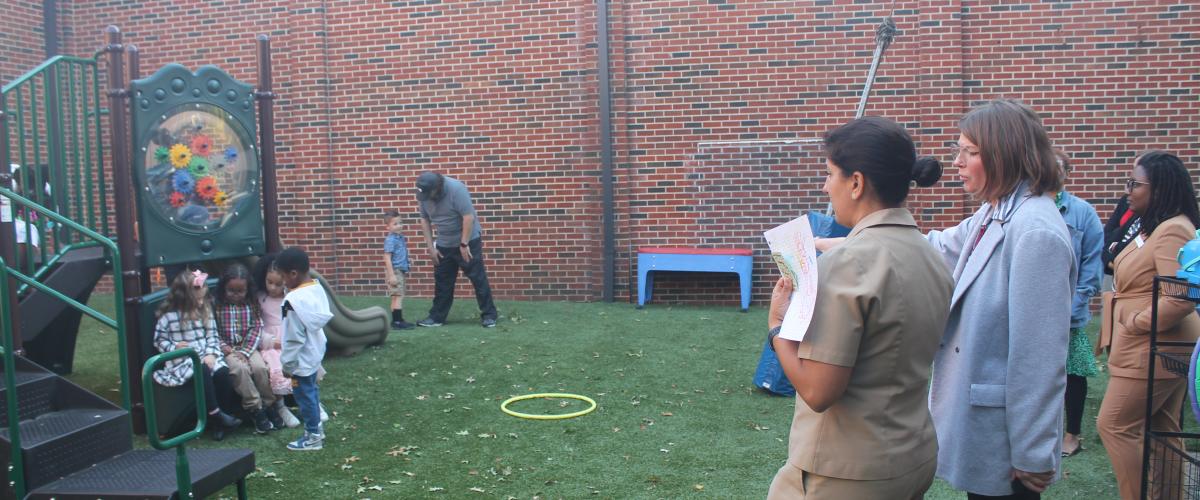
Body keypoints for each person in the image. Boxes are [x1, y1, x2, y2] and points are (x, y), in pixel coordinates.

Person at [766, 117, 953, 499]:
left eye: (830, 174)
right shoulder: (931, 256)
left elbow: (819, 392)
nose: (825, 186)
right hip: (912, 455)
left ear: (856, 183)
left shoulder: (844, 266)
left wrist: (776, 329)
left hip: (845, 473)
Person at [924, 99, 1076, 499]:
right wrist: (847, 243)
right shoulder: (995, 212)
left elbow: (1038, 357)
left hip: (1008, 443)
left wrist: (1032, 452)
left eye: (970, 152)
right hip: (983, 425)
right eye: (959, 150)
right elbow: (935, 247)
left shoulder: (1035, 230)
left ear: (1004, 155)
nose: (956, 161)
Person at [1095, 150, 1200, 500]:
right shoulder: (1154, 225)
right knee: (1161, 429)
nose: (1127, 190)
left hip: (1153, 348)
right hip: (1146, 347)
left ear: (1160, 189)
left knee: (1114, 425)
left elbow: (1182, 295)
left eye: (1134, 184)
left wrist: (1137, 322)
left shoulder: (1173, 230)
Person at [151, 269, 243, 441]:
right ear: (183, 298)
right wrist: (174, 346)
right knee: (202, 370)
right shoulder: (169, 317)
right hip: (182, 361)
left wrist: (211, 355)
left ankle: (223, 418)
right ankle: (216, 415)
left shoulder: (205, 312)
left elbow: (213, 337)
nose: (201, 302)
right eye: (198, 298)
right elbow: (159, 341)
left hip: (205, 356)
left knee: (223, 373)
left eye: (203, 297)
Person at [1054, 153, 1104, 458]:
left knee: (1072, 374)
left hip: (1067, 313)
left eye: (1057, 169)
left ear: (1066, 175)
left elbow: (1091, 267)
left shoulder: (1083, 213)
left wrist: (1072, 307)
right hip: (1029, 313)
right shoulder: (1025, 208)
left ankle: (1072, 435)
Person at [413, 171, 499, 328]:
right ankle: (437, 317)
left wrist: (464, 244)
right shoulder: (423, 193)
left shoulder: (456, 189)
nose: (426, 197)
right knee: (442, 281)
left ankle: (489, 315)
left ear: (437, 188)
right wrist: (431, 247)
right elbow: (424, 219)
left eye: (429, 193)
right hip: (444, 243)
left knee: (477, 278)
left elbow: (468, 217)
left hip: (467, 240)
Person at [276, 247, 333, 451]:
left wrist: (287, 364)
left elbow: (293, 338)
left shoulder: (293, 301)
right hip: (314, 353)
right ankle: (317, 430)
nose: (282, 281)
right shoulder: (316, 289)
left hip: (300, 359)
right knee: (312, 393)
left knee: (305, 396)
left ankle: (313, 437)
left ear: (293, 274)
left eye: (283, 276)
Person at [214, 263, 280, 433]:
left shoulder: (251, 303)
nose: (236, 295)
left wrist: (245, 351)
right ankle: (255, 409)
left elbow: (256, 327)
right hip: (228, 349)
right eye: (231, 290)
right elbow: (212, 330)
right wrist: (224, 347)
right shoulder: (217, 305)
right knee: (239, 369)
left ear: (247, 289)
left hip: (248, 347)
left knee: (259, 368)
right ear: (223, 288)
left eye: (240, 291)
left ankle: (269, 404)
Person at [253, 254, 301, 428]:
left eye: (278, 284)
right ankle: (281, 406)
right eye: (269, 282)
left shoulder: (289, 298)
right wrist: (271, 341)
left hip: (288, 338)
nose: (272, 287)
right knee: (275, 366)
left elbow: (294, 320)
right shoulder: (260, 298)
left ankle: (307, 402)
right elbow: (256, 325)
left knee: (301, 364)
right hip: (271, 341)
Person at [383, 209, 414, 330]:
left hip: (400, 269)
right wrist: (391, 275)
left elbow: (400, 253)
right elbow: (387, 257)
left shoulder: (400, 237)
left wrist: (408, 260)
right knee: (398, 295)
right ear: (388, 227)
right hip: (395, 271)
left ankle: (397, 320)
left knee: (396, 295)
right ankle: (397, 321)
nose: (399, 226)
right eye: (395, 224)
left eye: (400, 223)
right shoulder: (391, 240)